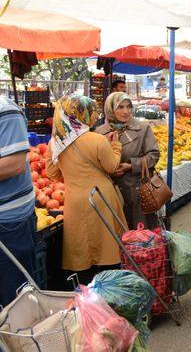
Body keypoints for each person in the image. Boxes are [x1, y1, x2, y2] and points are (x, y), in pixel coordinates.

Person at [45, 96, 126, 285]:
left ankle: (86, 291)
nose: (96, 114)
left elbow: (52, 172)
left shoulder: (55, 143)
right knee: (107, 247)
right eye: (92, 110)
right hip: (101, 197)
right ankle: (111, 288)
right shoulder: (97, 139)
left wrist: (73, 175)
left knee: (81, 246)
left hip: (74, 200)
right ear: (81, 114)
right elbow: (112, 166)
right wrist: (115, 145)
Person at [95, 92, 160, 229]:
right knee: (116, 234)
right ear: (110, 109)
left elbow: (153, 155)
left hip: (137, 191)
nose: (126, 111)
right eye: (120, 107)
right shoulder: (99, 133)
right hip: (110, 193)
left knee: (141, 235)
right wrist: (110, 170)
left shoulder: (143, 128)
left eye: (129, 106)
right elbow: (95, 162)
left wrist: (130, 166)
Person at [0, 96, 36, 306]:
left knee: (17, 301)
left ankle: (21, 338)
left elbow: (14, 164)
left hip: (9, 224)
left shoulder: (5, 110)